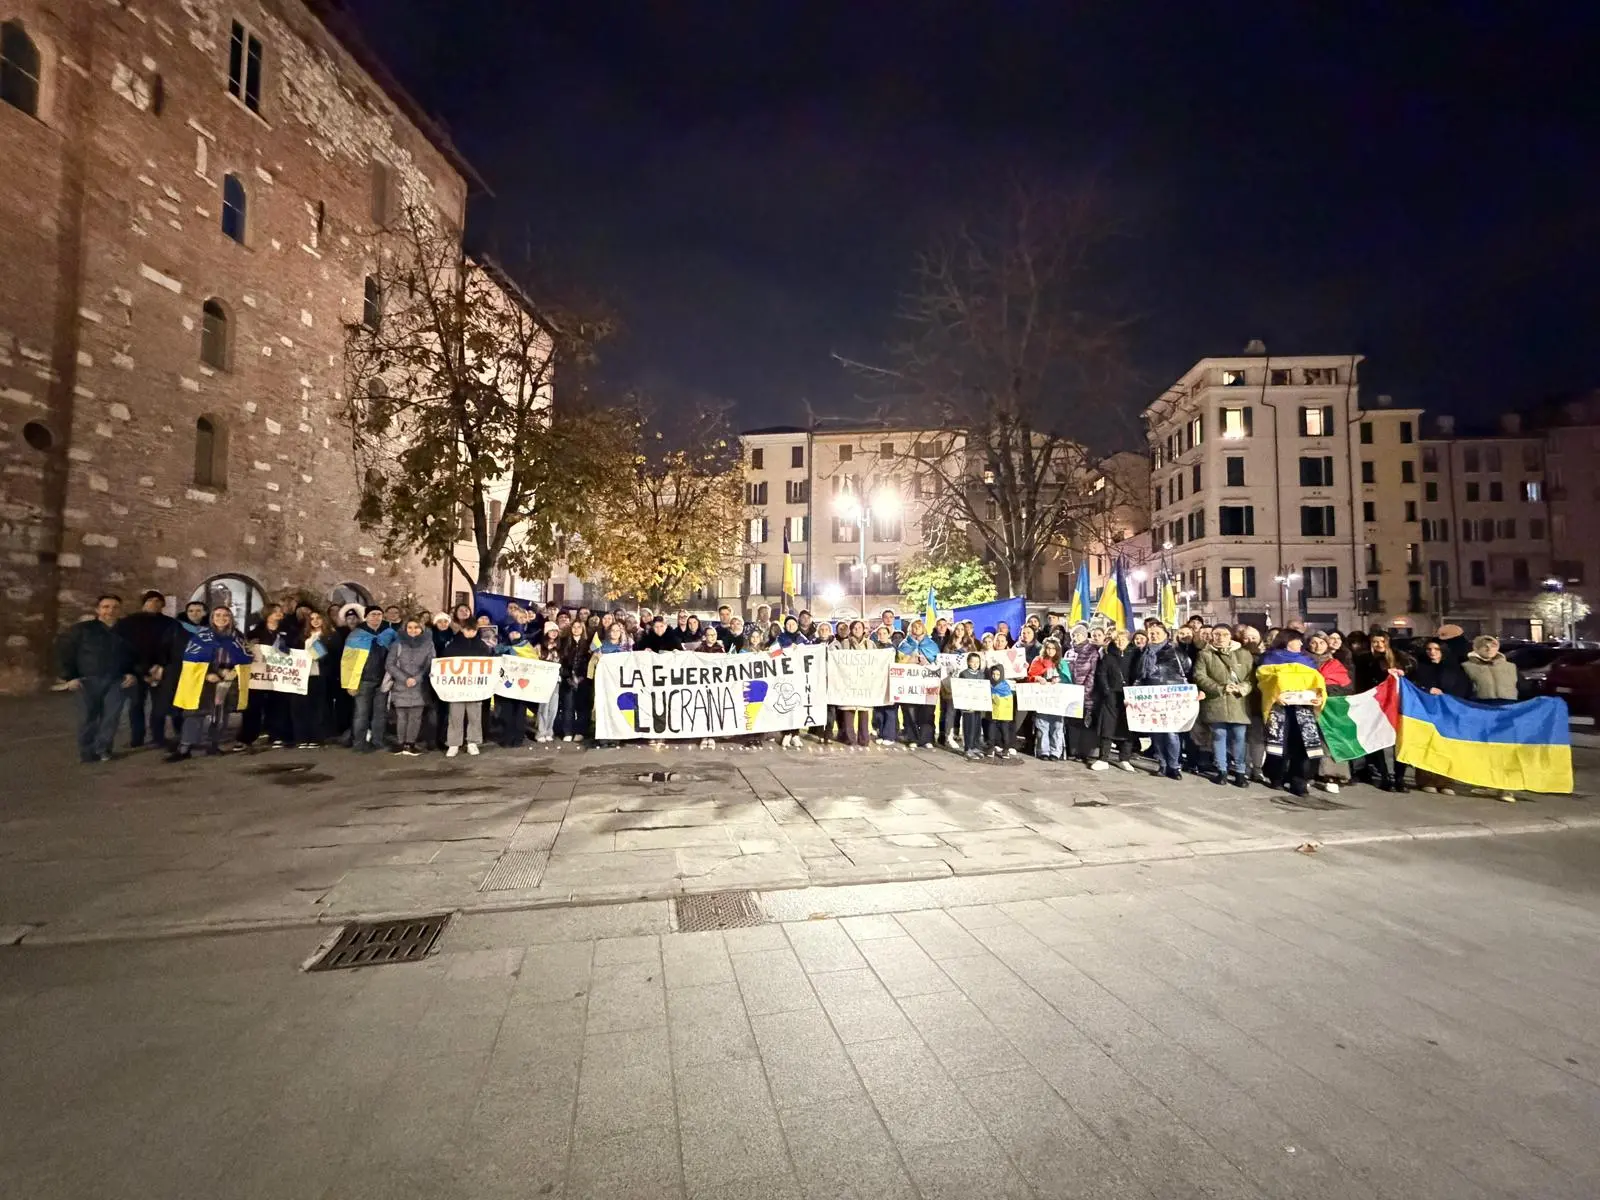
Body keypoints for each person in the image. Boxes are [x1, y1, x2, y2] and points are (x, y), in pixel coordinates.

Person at [165, 605, 252, 761]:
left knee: (220, 716)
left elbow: (245, 656)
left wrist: (232, 671)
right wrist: (209, 673)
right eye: (217, 615)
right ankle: (185, 748)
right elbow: (193, 659)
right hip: (204, 681)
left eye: (226, 615)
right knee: (194, 715)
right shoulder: (203, 635)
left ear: (231, 618)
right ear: (212, 618)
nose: (222, 618)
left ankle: (214, 745)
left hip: (227, 680)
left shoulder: (237, 637)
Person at [58, 593, 137, 763]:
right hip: (87, 680)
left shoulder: (127, 631)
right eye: (106, 607)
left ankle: (103, 749)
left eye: (115, 607)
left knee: (111, 718)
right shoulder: (82, 630)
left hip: (117, 680)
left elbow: (134, 655)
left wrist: (132, 673)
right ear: (97, 609)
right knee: (87, 718)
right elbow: (66, 653)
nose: (110, 611)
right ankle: (87, 752)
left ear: (120, 610)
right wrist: (70, 677)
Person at [1257, 630, 1329, 798]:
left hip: (1304, 709)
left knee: (1303, 746)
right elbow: (1264, 682)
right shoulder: (1269, 659)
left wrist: (1319, 697)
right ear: (1287, 641)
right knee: (1280, 745)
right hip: (1280, 708)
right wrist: (1275, 695)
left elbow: (1318, 683)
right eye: (1298, 641)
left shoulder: (1308, 661)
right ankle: (1277, 777)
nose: (1301, 645)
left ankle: (1299, 781)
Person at [1406, 637, 1473, 794]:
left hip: (1448, 713)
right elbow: (1411, 686)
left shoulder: (1455, 669)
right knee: (1426, 745)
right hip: (1426, 713)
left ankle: (1446, 781)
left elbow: (1464, 689)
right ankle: (1426, 779)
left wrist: (1448, 696)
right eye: (1429, 649)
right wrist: (1426, 689)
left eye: (1436, 649)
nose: (1432, 653)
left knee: (1446, 746)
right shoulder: (1420, 667)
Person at [114, 590, 178, 749]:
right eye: (150, 601)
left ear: (162, 604)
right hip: (136, 671)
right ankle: (137, 737)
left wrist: (161, 665)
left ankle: (158, 736)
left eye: (158, 601)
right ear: (144, 603)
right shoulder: (127, 623)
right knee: (136, 705)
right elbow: (121, 648)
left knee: (160, 706)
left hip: (161, 671)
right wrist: (135, 669)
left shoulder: (171, 624)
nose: (154, 604)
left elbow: (174, 647)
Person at [1194, 624, 1255, 787]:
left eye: (1224, 634)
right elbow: (1200, 676)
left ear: (1230, 636)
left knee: (1239, 737)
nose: (1220, 637)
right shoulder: (1204, 654)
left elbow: (1251, 677)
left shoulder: (1244, 654)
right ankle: (1222, 770)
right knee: (1218, 735)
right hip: (1216, 701)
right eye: (1217, 634)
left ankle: (1241, 772)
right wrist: (1219, 688)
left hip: (1238, 702)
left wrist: (1243, 688)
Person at [1354, 631, 1412, 790]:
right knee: (1382, 740)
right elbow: (1363, 678)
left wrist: (1403, 672)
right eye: (1375, 642)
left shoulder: (1399, 657)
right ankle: (1387, 776)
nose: (1379, 645)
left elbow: (1412, 671)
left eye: (1382, 641)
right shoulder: (1365, 658)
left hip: (1400, 703)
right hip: (1377, 705)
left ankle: (1399, 777)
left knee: (1401, 741)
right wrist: (1384, 673)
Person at [1133, 621, 1187, 779]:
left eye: (1157, 632)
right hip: (1151, 695)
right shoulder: (1144, 651)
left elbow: (1185, 668)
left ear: (1165, 634)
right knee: (1156, 733)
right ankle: (1162, 764)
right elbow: (1139, 673)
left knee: (1171, 733)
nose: (1154, 635)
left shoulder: (1175, 650)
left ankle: (1174, 766)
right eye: (1151, 633)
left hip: (1170, 696)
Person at [235, 605, 292, 750]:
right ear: (268, 614)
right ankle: (247, 737)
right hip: (259, 676)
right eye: (276, 611)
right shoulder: (256, 632)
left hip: (279, 676)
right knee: (253, 707)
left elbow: (295, 647)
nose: (279, 613)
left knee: (277, 706)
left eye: (280, 611)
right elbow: (246, 649)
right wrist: (250, 647)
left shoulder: (288, 631)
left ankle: (276, 735)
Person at [343, 606, 397, 753]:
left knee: (380, 714)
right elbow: (347, 661)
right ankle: (359, 743)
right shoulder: (356, 635)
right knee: (361, 713)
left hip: (383, 680)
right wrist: (349, 683)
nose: (376, 617)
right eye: (373, 614)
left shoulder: (389, 634)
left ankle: (377, 741)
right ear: (366, 617)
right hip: (363, 679)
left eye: (379, 614)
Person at [1308, 631, 1351, 793]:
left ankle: (1332, 775)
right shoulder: (1302, 662)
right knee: (1308, 740)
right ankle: (1309, 773)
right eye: (1314, 642)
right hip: (1306, 705)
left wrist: (1324, 690)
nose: (1318, 646)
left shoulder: (1335, 664)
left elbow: (1346, 685)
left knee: (1330, 741)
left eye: (1322, 642)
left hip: (1330, 707)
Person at [386, 617, 436, 755]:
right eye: (410, 627)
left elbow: (430, 663)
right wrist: (404, 678)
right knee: (401, 716)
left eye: (416, 627)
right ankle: (401, 742)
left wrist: (417, 678)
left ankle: (410, 743)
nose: (413, 630)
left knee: (415, 717)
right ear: (405, 629)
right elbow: (390, 664)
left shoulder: (428, 644)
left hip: (419, 686)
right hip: (401, 685)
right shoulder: (398, 644)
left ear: (422, 629)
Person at [1092, 629, 1137, 771]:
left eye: (1123, 640)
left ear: (1128, 641)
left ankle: (1125, 758)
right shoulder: (1108, 656)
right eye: (1117, 640)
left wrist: (1134, 692)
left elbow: (1138, 674)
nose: (1120, 642)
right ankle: (1103, 758)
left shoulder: (1134, 655)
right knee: (1108, 726)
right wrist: (1106, 690)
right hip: (1111, 695)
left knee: (1128, 727)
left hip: (1129, 696)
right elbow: (1101, 674)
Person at [441, 619, 486, 757]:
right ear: (462, 629)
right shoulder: (453, 645)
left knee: (475, 715)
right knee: (455, 715)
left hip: (475, 686)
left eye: (473, 630)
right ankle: (454, 743)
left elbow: (489, 662)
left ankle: (472, 742)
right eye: (468, 630)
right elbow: (443, 662)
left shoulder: (482, 645)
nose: (470, 633)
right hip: (457, 687)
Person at [288, 611, 332, 748]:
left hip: (318, 675)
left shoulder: (330, 636)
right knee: (300, 707)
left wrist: (314, 654)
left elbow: (330, 655)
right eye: (312, 618)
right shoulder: (303, 637)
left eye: (318, 618)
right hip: (301, 676)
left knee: (316, 708)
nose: (315, 621)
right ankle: (302, 738)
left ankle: (315, 738)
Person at [896, 618, 940, 748]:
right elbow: (899, 661)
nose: (916, 629)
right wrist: (910, 660)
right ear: (910, 629)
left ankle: (927, 739)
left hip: (927, 684)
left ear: (924, 629)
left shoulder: (931, 644)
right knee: (910, 711)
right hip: (909, 684)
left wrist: (926, 661)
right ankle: (912, 738)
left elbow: (937, 662)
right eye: (914, 627)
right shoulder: (905, 644)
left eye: (919, 627)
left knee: (927, 711)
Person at [1064, 625, 1103, 768]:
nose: (1076, 637)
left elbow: (1093, 674)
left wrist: (1085, 691)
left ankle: (1086, 752)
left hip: (1087, 695)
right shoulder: (1069, 653)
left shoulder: (1093, 652)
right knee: (1073, 723)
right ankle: (1073, 750)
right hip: (1071, 694)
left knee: (1086, 724)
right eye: (1074, 635)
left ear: (1085, 635)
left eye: (1079, 635)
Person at [1025, 637, 1070, 760]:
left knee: (1057, 725)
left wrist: (1059, 679)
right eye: (1048, 648)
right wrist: (1037, 678)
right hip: (1042, 698)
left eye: (1053, 649)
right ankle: (1043, 750)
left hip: (1057, 699)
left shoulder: (1062, 663)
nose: (1050, 651)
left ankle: (1056, 751)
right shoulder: (1038, 660)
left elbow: (1068, 679)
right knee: (1042, 724)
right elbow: (1030, 676)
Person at [835, 620, 875, 748]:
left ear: (864, 629)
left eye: (859, 627)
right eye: (854, 627)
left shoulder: (870, 644)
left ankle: (864, 738)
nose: (857, 629)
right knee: (848, 710)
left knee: (864, 711)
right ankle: (849, 738)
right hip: (849, 681)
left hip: (864, 682)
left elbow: (876, 660)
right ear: (851, 630)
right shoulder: (845, 643)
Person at [871, 624, 900, 745]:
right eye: (879, 634)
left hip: (891, 681)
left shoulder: (893, 648)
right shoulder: (873, 648)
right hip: (877, 682)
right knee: (878, 709)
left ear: (888, 635)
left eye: (884, 633)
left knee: (890, 709)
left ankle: (889, 735)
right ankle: (880, 733)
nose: (882, 636)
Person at [957, 651, 987, 760]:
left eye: (977, 662)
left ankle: (975, 746)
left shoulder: (981, 674)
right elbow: (960, 689)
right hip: (967, 706)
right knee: (969, 726)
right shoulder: (964, 674)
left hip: (978, 705)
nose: (975, 664)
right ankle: (968, 748)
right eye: (972, 662)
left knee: (977, 726)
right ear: (968, 662)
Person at [987, 663, 1017, 757]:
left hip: (1004, 713)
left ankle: (1006, 749)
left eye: (998, 674)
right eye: (993, 674)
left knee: (1005, 731)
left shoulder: (1005, 686)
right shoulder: (989, 685)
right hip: (993, 712)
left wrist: (996, 697)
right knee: (991, 730)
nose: (995, 677)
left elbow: (1008, 699)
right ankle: (991, 747)